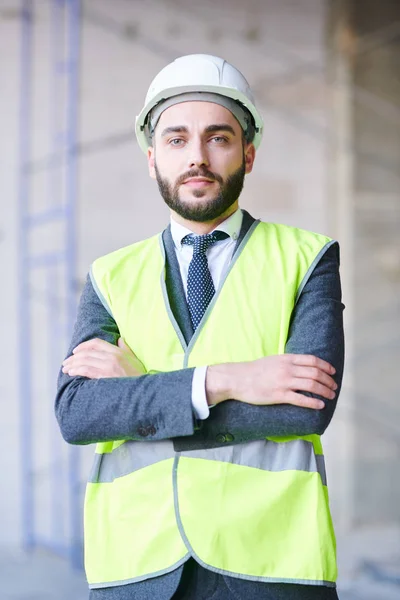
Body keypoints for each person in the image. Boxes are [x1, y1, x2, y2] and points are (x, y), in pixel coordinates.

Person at [56, 54, 344, 600]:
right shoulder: (110, 275)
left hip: (271, 563)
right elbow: (77, 414)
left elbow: (303, 407)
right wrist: (225, 380)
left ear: (248, 153)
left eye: (218, 138)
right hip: (137, 565)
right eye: (176, 139)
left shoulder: (308, 258)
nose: (197, 157)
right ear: (151, 159)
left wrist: (140, 388)